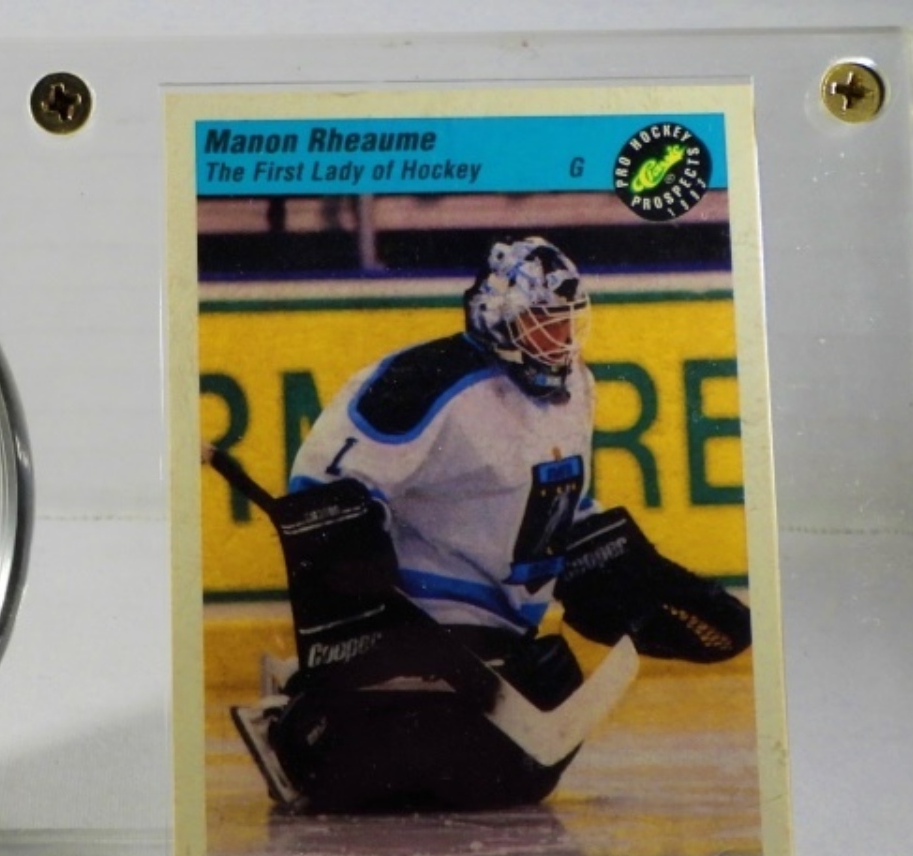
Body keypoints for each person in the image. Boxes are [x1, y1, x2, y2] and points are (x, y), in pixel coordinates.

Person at [239, 236, 749, 813]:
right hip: (427, 622)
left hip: (506, 636)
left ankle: (346, 723)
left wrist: (617, 565)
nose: (559, 340)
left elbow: (558, 500)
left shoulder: (578, 387)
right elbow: (323, 483)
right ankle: (305, 724)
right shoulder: (427, 379)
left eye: (566, 322)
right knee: (491, 772)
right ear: (498, 319)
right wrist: (354, 562)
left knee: (531, 749)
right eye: (542, 323)